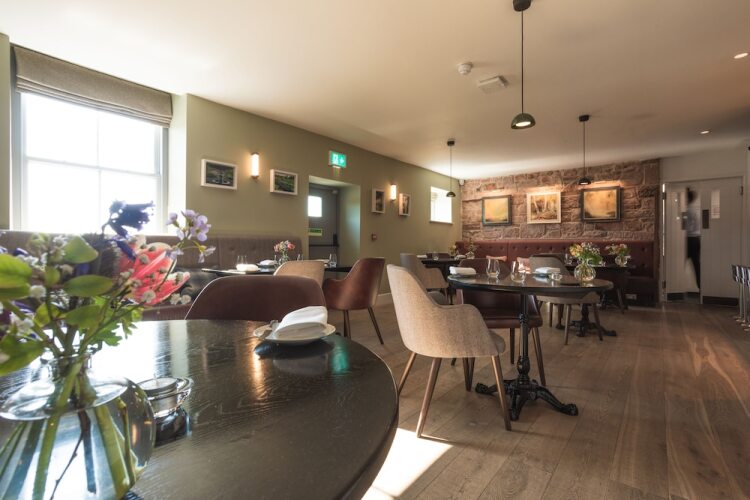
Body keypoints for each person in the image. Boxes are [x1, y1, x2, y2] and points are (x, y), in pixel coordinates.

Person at [685, 188, 701, 289]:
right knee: (696, 265)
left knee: (678, 262)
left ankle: (676, 288)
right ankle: (700, 287)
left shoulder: (688, 210)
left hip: (690, 240)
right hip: (696, 239)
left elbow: (687, 228)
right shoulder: (695, 210)